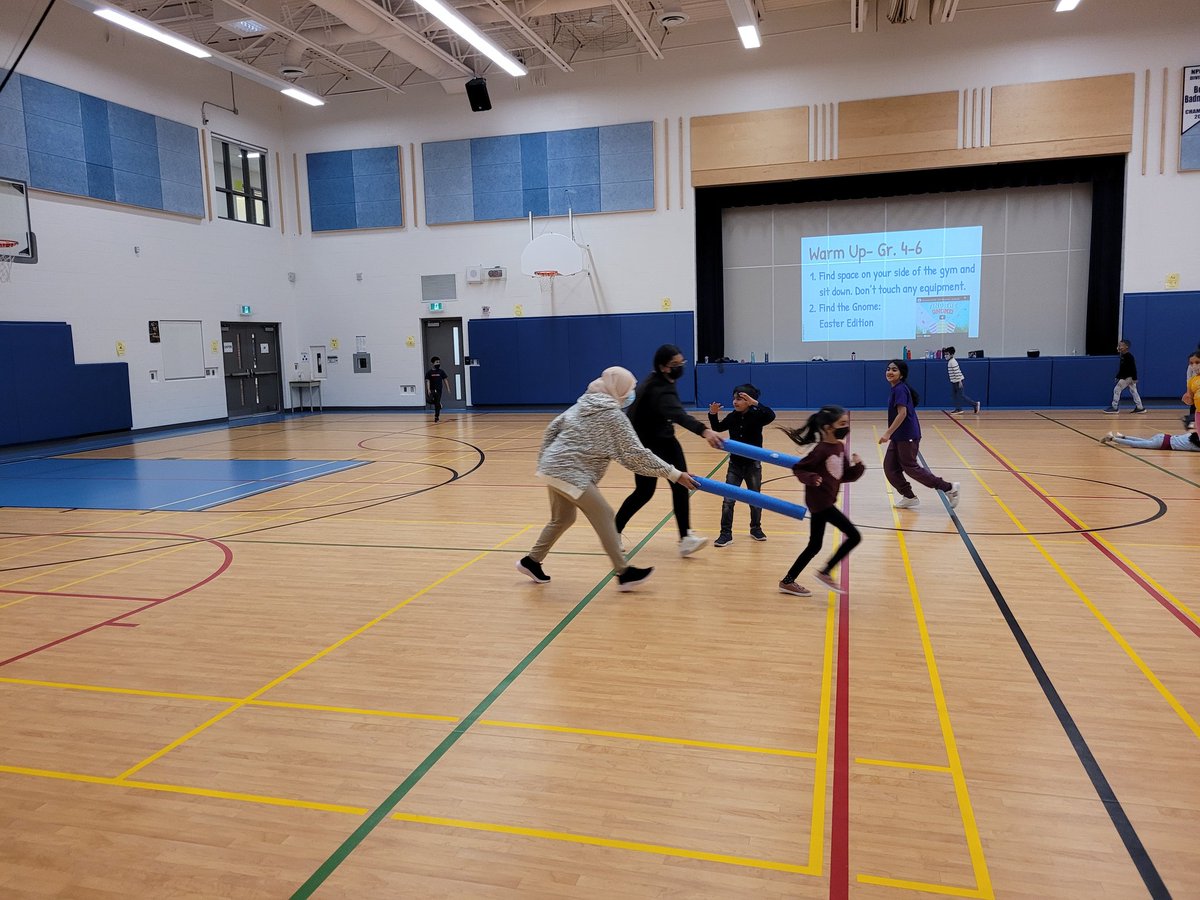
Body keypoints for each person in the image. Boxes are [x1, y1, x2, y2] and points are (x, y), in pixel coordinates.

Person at [515, 366, 699, 591]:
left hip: (553, 467)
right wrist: (674, 474)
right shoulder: (612, 415)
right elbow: (636, 453)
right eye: (629, 389)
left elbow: (551, 430)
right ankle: (624, 573)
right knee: (604, 513)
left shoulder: (581, 405)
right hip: (570, 472)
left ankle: (531, 562)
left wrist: (545, 462)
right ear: (619, 389)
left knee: (562, 519)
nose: (631, 394)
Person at [614, 344, 724, 557]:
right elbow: (679, 415)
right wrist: (705, 432)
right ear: (664, 367)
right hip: (646, 445)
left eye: (682, 362)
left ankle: (685, 538)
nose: (680, 366)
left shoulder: (663, 380)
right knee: (644, 492)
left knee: (681, 486)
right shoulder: (657, 389)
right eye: (676, 364)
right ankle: (614, 531)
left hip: (665, 439)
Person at [777, 406, 865, 597]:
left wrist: (858, 467)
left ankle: (787, 581)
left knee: (814, 545)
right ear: (828, 428)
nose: (846, 427)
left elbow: (843, 475)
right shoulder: (820, 450)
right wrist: (811, 477)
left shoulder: (840, 447)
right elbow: (799, 468)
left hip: (825, 501)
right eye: (841, 424)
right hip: (820, 503)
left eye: (846, 423)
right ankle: (825, 572)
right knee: (854, 536)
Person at [878, 359, 960, 510]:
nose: (890, 372)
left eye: (894, 370)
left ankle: (949, 488)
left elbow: (902, 413)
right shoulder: (896, 388)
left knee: (910, 467)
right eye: (888, 369)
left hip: (907, 435)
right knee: (890, 467)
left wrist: (888, 433)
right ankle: (909, 497)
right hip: (899, 436)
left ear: (901, 375)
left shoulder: (900, 389)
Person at [708, 383, 776, 547]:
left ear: (749, 400)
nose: (735, 402)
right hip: (735, 466)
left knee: (755, 499)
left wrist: (755, 403)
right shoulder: (732, 417)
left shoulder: (758, 415)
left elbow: (770, 415)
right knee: (728, 501)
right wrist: (712, 414)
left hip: (753, 465)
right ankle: (725, 533)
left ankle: (756, 528)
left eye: (740, 399)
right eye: (734, 398)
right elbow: (717, 427)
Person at [1103, 339, 1146, 414]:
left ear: (1126, 347)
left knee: (1117, 389)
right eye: (1118, 345)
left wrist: (1134, 378)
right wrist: (1118, 376)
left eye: (1120, 346)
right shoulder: (1123, 356)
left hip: (1128, 377)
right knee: (1134, 391)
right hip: (1127, 377)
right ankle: (1140, 407)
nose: (1119, 347)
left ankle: (1114, 407)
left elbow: (1133, 368)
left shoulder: (1129, 357)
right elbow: (1122, 369)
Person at [944, 346, 980, 415]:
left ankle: (975, 404)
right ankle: (958, 409)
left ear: (951, 354)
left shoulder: (952, 362)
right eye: (945, 354)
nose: (946, 355)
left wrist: (959, 381)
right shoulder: (950, 362)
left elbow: (957, 372)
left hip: (957, 381)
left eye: (947, 354)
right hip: (954, 381)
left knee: (961, 395)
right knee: (954, 395)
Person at [1100, 430, 1200, 451]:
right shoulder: (1194, 446)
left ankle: (1123, 436)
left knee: (1143, 440)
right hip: (1162, 444)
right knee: (1135, 444)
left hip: (1164, 436)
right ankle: (1112, 438)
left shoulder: (1190, 434)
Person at [425, 356, 448, 423]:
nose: (438, 363)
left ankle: (436, 417)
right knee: (428, 400)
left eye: (439, 362)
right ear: (433, 363)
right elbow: (427, 381)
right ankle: (438, 404)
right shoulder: (429, 372)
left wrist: (448, 388)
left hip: (439, 390)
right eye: (436, 362)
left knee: (436, 404)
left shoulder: (441, 371)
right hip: (432, 389)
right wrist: (428, 389)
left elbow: (445, 380)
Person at [1182, 348, 1200, 430]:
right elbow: (1190, 399)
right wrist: (1188, 397)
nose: (1194, 365)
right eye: (1191, 363)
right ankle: (1191, 421)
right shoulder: (1192, 380)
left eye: (1197, 362)